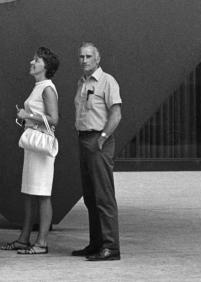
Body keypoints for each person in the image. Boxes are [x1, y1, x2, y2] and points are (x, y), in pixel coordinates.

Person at [0, 46, 60, 255]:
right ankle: (24, 239)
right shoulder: (39, 86)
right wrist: (25, 117)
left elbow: (54, 120)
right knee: (29, 193)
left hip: (41, 148)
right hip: (32, 145)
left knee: (42, 194)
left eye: (36, 60)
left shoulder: (47, 88)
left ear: (46, 66)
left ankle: (41, 242)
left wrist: (28, 115)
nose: (31, 63)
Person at [72, 42, 122, 261]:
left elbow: (116, 114)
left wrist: (103, 137)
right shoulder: (82, 82)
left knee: (103, 195)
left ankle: (111, 247)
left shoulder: (107, 81)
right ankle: (96, 243)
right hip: (84, 138)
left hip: (98, 140)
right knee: (90, 196)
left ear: (97, 59)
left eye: (88, 56)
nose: (84, 60)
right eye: (81, 56)